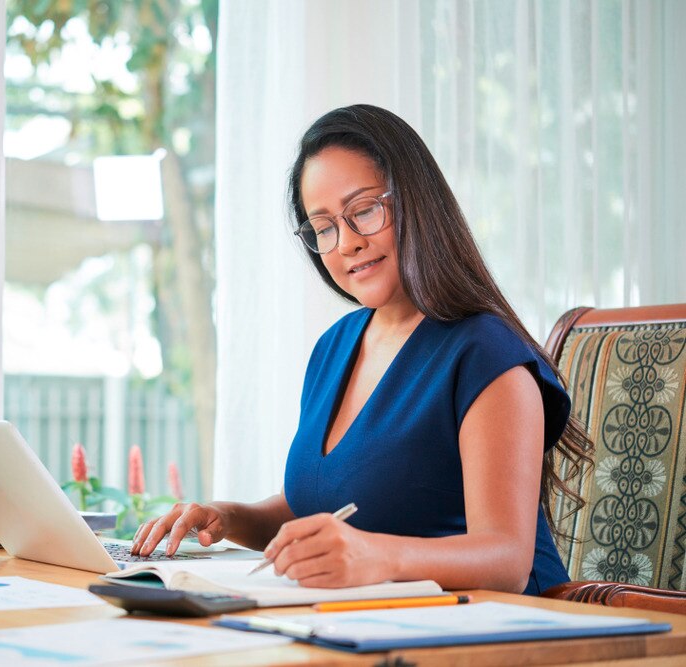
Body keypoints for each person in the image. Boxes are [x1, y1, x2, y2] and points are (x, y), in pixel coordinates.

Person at [131, 104, 593, 595]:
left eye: (365, 210)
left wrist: (376, 556)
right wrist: (226, 517)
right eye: (324, 227)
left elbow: (506, 561)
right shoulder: (334, 347)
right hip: (377, 622)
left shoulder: (487, 354)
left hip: (507, 624)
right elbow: (321, 508)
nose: (346, 243)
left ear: (417, 201)